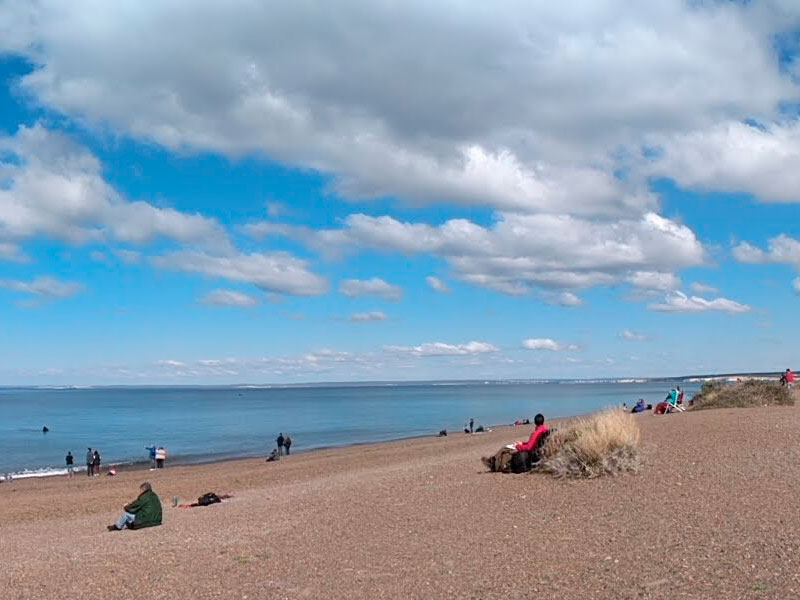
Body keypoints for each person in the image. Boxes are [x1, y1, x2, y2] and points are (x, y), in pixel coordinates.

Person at [482, 414, 549, 473]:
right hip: (535, 450)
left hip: (531, 453)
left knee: (505, 448)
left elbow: (529, 447)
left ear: (535, 422)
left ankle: (493, 462)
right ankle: (494, 461)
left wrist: (518, 446)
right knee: (508, 449)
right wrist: (522, 443)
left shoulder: (536, 433)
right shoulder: (545, 429)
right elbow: (533, 443)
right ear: (543, 421)